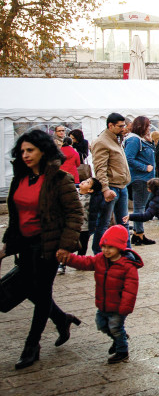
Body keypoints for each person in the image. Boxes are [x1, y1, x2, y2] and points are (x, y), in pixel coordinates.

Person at [2, 130, 84, 370]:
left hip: (48, 245)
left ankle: (32, 345)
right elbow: (16, 217)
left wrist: (66, 246)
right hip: (25, 245)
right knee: (31, 290)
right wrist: (7, 246)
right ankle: (61, 319)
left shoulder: (60, 179)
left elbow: (75, 214)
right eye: (22, 151)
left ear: (43, 152)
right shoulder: (20, 177)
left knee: (42, 292)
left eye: (31, 150)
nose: (25, 155)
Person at [57, 225, 142, 364]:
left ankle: (122, 351)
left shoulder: (128, 266)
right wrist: (69, 259)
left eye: (110, 247)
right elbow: (84, 262)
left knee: (115, 327)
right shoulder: (100, 259)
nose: (106, 250)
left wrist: (125, 307)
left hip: (118, 306)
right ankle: (119, 338)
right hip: (103, 303)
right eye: (104, 246)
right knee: (101, 324)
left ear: (119, 247)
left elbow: (131, 289)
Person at [91, 113, 132, 254]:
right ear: (111, 126)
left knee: (124, 222)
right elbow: (99, 168)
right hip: (111, 188)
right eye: (120, 126)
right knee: (103, 223)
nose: (123, 128)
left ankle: (127, 252)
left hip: (122, 186)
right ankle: (98, 252)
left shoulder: (116, 140)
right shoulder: (102, 142)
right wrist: (105, 189)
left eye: (124, 125)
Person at [124, 116, 157, 246]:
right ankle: (139, 234)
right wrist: (145, 168)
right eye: (148, 125)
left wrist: (150, 142)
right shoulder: (133, 139)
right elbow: (129, 158)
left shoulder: (139, 140)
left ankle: (139, 234)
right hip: (140, 178)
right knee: (140, 207)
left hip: (144, 178)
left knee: (140, 207)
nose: (149, 128)